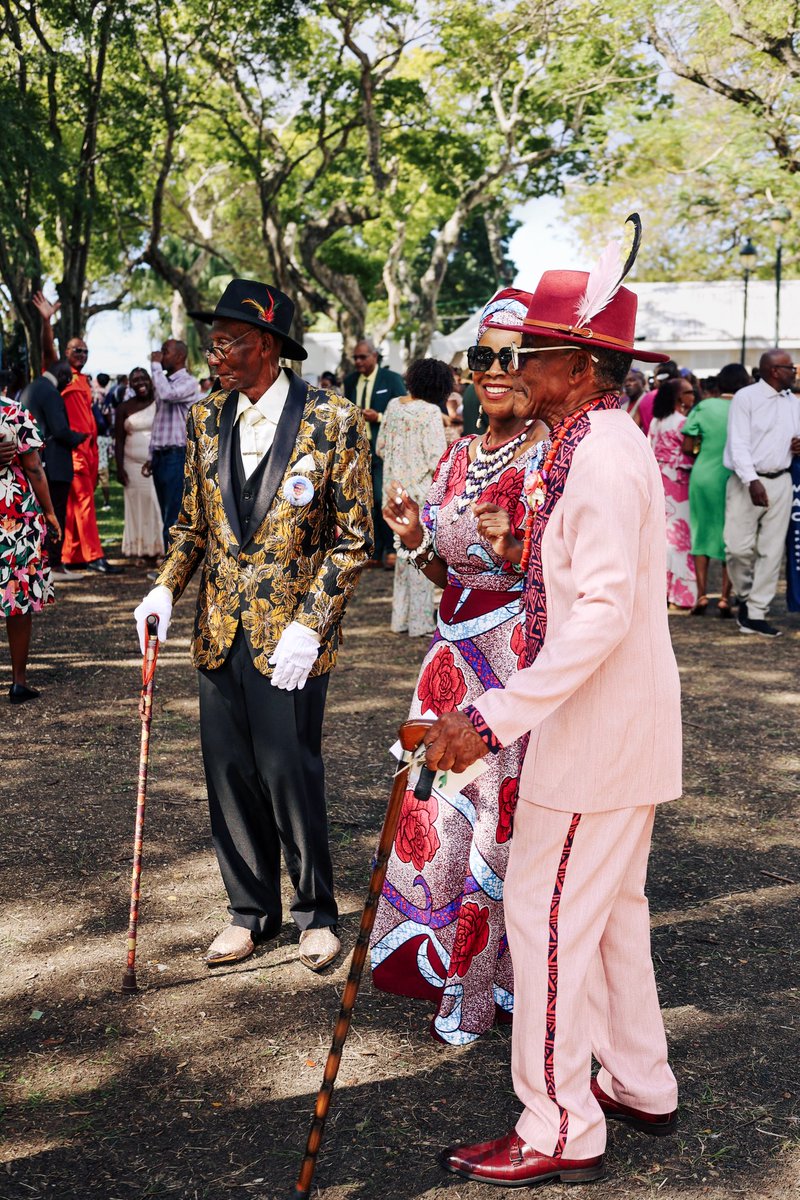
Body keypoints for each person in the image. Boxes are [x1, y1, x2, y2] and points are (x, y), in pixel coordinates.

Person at [419, 244, 681, 1189]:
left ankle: (561, 1122)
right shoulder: (591, 442)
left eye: (531, 352)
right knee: (608, 919)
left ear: (581, 366)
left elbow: (601, 614)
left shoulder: (601, 455)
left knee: (546, 921)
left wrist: (491, 717)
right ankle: (640, 1081)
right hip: (604, 733)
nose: (513, 366)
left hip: (595, 741)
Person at [132, 279, 373, 971]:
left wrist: (312, 623)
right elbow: (191, 527)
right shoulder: (207, 418)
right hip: (219, 630)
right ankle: (249, 911)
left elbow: (354, 540)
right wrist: (165, 587)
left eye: (225, 345)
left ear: (265, 345)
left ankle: (316, 912)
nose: (214, 357)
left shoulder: (334, 421)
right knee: (229, 773)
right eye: (212, 345)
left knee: (290, 771)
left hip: (291, 639)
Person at [370, 288, 549, 1045]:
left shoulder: (550, 456)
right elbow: (451, 575)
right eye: (483, 357)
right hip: (446, 659)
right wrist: (416, 538)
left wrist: (517, 545)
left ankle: (485, 985)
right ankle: (435, 962)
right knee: (437, 818)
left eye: (512, 357)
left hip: (509, 666)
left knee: (494, 829)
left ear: (535, 367)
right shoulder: (455, 458)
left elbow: (559, 575)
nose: (496, 370)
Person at [32, 292, 121, 574]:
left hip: (89, 450)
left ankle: (72, 554)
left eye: (84, 351)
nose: (81, 354)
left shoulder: (83, 379)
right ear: (66, 353)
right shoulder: (62, 374)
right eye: (76, 350)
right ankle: (94, 555)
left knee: (74, 505)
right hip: (72, 451)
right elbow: (47, 351)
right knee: (83, 503)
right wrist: (47, 322)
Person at [723, 348, 800, 637]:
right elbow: (738, 444)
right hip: (746, 481)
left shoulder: (792, 402)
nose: (794, 371)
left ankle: (756, 612)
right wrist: (752, 481)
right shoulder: (746, 398)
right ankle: (745, 596)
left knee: (771, 551)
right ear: (774, 371)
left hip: (781, 480)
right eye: (790, 367)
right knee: (736, 547)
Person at [377, 359, 449, 639]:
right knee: (422, 555)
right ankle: (420, 622)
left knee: (402, 556)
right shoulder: (430, 412)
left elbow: (381, 447)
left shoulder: (393, 405)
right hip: (420, 495)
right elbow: (436, 458)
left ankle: (400, 618)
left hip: (393, 491)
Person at [0, 392, 60, 703]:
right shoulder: (13, 411)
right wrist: (49, 512)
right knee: (17, 596)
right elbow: (34, 468)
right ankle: (18, 681)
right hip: (14, 512)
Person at [682, 363, 749, 618]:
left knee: (700, 531)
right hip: (736, 476)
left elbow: (687, 446)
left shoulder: (704, 406)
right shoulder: (746, 407)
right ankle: (724, 597)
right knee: (730, 534)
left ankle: (701, 594)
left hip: (704, 474)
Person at [19, 360, 87, 582]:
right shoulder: (51, 392)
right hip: (54, 463)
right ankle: (55, 564)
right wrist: (80, 437)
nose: (68, 383)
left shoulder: (31, 388)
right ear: (62, 374)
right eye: (68, 379)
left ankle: (41, 562)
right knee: (55, 513)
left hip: (36, 460)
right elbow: (59, 430)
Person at [344, 338, 406, 566]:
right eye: (355, 358)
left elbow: (403, 411)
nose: (358, 362)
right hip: (359, 450)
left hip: (383, 449)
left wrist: (378, 417)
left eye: (362, 357)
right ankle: (375, 550)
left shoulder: (391, 379)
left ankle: (391, 548)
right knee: (365, 501)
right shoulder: (350, 381)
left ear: (375, 356)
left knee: (382, 498)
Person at [145, 338, 200, 551]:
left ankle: (173, 564)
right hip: (161, 455)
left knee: (174, 515)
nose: (160, 355)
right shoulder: (164, 381)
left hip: (177, 455)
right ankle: (169, 560)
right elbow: (158, 420)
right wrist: (151, 455)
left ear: (179, 356)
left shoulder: (189, 382)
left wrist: (155, 366)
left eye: (165, 351)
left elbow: (168, 395)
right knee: (166, 512)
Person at [648, 377, 697, 609]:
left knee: (663, 536)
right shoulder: (684, 423)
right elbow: (688, 454)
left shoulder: (656, 421)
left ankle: (661, 591)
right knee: (680, 536)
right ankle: (680, 594)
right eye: (689, 392)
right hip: (679, 483)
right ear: (679, 397)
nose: (693, 395)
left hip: (659, 481)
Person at [115, 368, 165, 561]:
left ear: (150, 380)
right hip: (131, 465)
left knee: (155, 504)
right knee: (136, 506)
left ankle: (158, 548)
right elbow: (119, 440)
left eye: (143, 378)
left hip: (157, 463)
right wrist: (119, 468)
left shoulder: (160, 403)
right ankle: (139, 549)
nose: (140, 383)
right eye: (135, 380)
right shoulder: (124, 408)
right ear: (130, 384)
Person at [633, 359, 678, 435]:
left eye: (655, 375)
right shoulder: (680, 395)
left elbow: (634, 427)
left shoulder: (646, 398)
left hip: (649, 441)